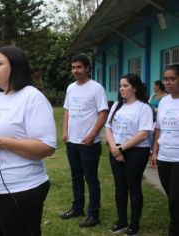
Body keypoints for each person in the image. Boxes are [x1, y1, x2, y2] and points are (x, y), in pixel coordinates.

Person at [0, 46, 57, 236]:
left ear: (15, 67)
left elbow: (47, 147)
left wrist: (4, 142)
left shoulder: (32, 98)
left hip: (20, 190)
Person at [59, 54, 108, 228]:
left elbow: (103, 113)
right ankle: (77, 208)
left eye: (79, 67)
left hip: (89, 143)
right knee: (76, 176)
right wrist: (65, 131)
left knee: (91, 178)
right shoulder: (71, 88)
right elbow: (67, 110)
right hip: (72, 141)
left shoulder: (96, 88)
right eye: (73, 67)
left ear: (87, 68)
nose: (75, 71)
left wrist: (92, 135)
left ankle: (93, 214)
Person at [105, 74, 153, 235]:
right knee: (120, 187)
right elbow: (108, 128)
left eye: (125, 85)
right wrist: (114, 147)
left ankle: (134, 224)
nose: (121, 89)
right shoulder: (117, 105)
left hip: (136, 152)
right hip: (116, 149)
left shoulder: (143, 107)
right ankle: (122, 221)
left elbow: (143, 134)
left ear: (135, 88)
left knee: (133, 187)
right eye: (120, 86)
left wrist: (120, 149)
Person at [150, 64, 179, 236]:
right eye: (165, 79)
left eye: (172, 79)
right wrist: (154, 152)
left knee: (175, 199)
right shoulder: (163, 102)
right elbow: (158, 129)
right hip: (164, 156)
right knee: (172, 197)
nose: (167, 83)